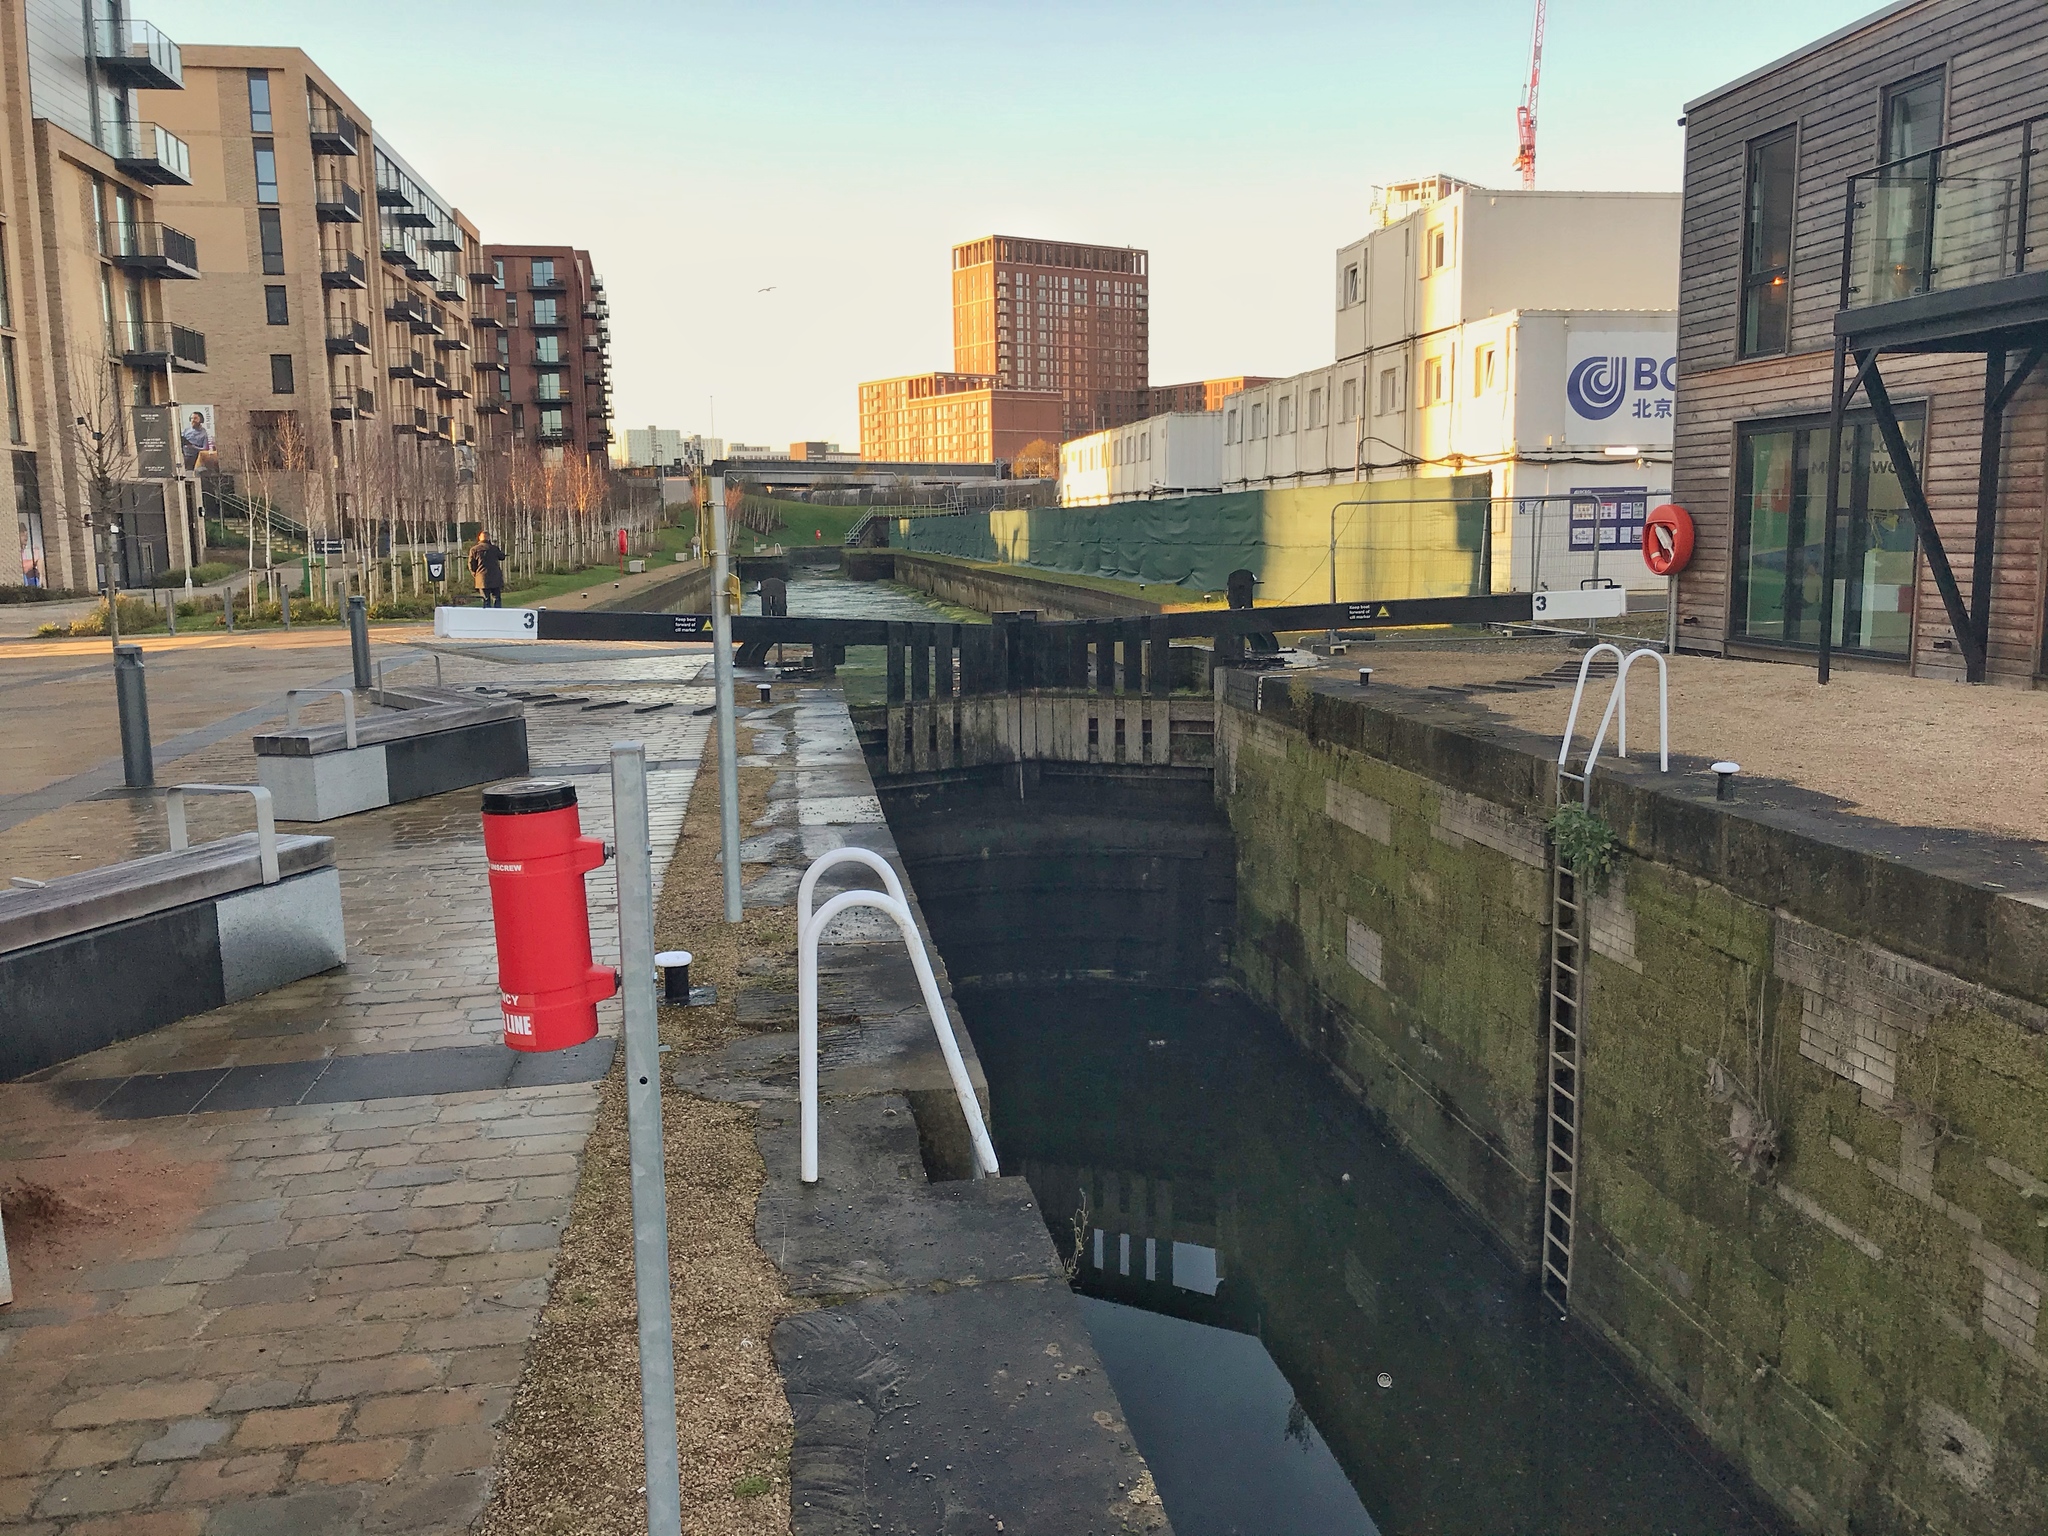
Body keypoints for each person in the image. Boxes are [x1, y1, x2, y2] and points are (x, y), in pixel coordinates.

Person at [470, 531, 506, 608]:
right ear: (489, 538)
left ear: (480, 538)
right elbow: (502, 557)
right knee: (497, 598)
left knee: (485, 600)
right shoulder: (494, 548)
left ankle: (487, 617)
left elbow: (471, 564)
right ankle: (498, 615)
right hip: (495, 577)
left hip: (482, 578)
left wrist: (475, 574)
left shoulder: (474, 550)